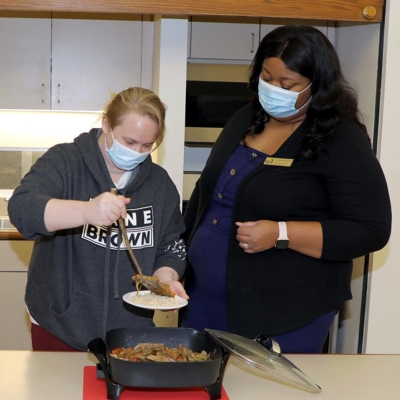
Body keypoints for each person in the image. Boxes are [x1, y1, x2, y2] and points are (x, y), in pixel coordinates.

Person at [180, 25, 391, 353]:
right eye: (266, 77)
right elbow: (205, 195)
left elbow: (371, 230)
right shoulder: (245, 118)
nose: (273, 89)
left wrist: (282, 232)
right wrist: (175, 260)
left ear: (317, 86)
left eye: (286, 83)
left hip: (283, 313)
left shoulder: (340, 139)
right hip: (203, 301)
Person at [8, 87, 188, 351]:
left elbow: (171, 245)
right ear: (106, 124)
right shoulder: (65, 161)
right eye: (129, 141)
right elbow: (22, 208)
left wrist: (165, 279)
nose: (137, 152)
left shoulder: (159, 184)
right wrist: (86, 212)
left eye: (147, 145)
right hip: (60, 325)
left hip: (131, 333)